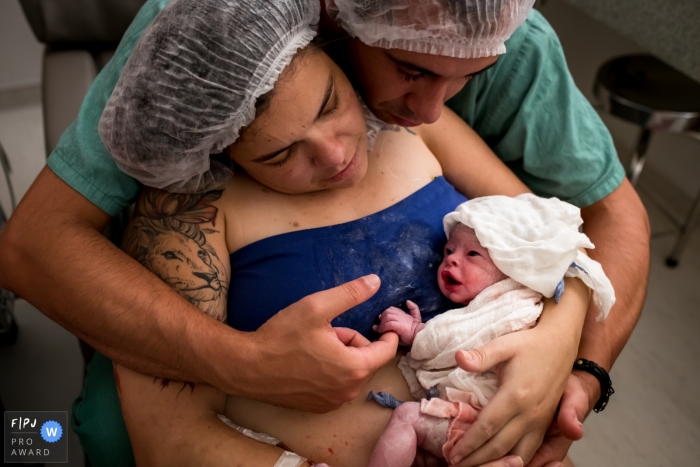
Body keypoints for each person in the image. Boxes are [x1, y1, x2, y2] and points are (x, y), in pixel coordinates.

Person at [0, 0, 649, 465]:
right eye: (281, 155)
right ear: (333, 19)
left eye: (332, 104)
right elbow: (175, 438)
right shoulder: (188, 183)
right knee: (107, 431)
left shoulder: (455, 86)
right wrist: (250, 367)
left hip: (467, 414)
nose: (429, 108)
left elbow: (575, 228)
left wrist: (567, 350)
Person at [367, 194, 616, 467]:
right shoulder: (494, 307)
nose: (451, 260)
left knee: (406, 417)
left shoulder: (512, 301)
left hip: (483, 422)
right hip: (488, 426)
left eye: (473, 254)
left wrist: (417, 332)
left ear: (509, 266)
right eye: (449, 251)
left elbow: (462, 342)